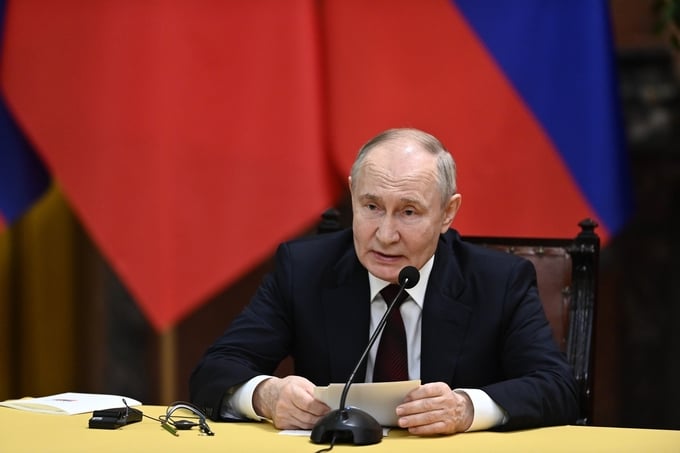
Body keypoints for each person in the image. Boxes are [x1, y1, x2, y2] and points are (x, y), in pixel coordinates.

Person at [190, 127, 578, 435]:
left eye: (408, 212)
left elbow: (557, 388)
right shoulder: (305, 269)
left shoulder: (498, 282)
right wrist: (265, 396)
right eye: (372, 207)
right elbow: (215, 371)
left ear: (447, 213)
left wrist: (466, 408)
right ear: (353, 196)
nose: (385, 234)